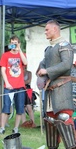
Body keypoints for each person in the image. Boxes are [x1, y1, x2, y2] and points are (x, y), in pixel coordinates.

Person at [37, 20, 76, 149]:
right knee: (50, 121)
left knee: (63, 118)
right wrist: (41, 71)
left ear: (55, 29)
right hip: (50, 90)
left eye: (47, 29)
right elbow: (44, 63)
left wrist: (47, 71)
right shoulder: (49, 49)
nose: (45, 32)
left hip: (62, 89)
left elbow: (66, 64)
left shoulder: (64, 45)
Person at [0, 35, 27, 134]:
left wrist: (19, 50)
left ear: (19, 43)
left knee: (20, 107)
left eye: (16, 43)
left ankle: (16, 128)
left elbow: (25, 62)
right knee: (6, 107)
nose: (14, 45)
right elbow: (3, 69)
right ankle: (2, 128)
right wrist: (7, 82)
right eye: (12, 43)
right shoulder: (5, 55)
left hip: (20, 85)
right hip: (9, 86)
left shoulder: (22, 54)